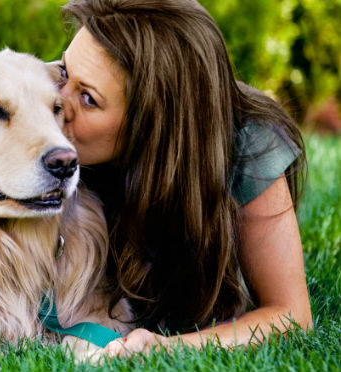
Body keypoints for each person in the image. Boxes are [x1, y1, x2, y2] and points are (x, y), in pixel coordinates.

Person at [56, 0, 312, 355]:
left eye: (87, 98)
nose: (55, 102)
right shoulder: (56, 146)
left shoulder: (246, 144)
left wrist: (163, 348)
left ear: (152, 124)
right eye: (64, 73)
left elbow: (290, 315)